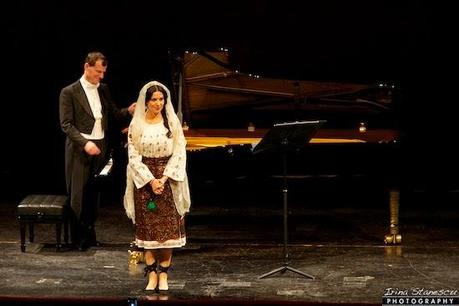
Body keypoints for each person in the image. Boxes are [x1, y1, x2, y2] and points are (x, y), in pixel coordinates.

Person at [59, 51, 135, 251]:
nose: (101, 76)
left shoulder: (103, 89)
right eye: (97, 71)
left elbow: (112, 114)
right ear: (87, 67)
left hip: (100, 147)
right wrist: (85, 143)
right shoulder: (69, 92)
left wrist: (128, 111)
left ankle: (90, 235)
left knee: (94, 193)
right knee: (78, 194)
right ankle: (78, 239)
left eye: (103, 72)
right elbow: (66, 125)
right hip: (80, 148)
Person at [124, 81, 191, 291]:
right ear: (146, 101)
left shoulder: (172, 123)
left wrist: (163, 179)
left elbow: (180, 152)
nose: (158, 103)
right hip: (144, 181)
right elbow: (133, 157)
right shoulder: (137, 125)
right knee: (148, 233)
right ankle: (151, 273)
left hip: (168, 181)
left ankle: (164, 275)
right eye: (154, 99)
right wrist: (151, 180)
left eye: (161, 99)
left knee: (168, 234)